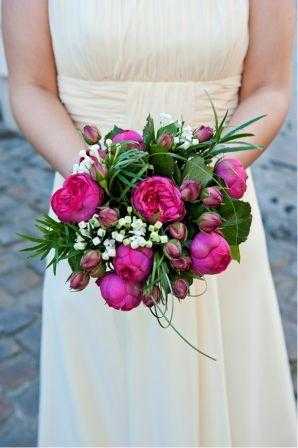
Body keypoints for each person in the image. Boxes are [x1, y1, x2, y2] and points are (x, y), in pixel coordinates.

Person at [2, 0, 296, 446]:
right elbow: (30, 86)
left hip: (210, 220)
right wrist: (98, 184)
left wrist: (199, 189)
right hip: (93, 228)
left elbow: (269, 88)